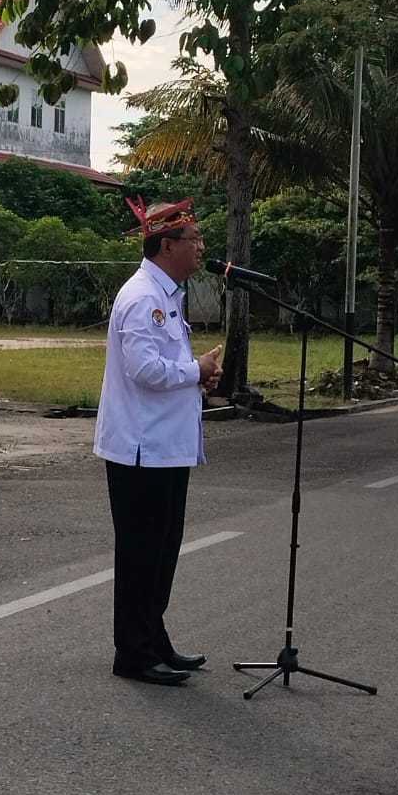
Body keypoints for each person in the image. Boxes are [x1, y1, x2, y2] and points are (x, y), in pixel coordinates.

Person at [94, 197, 223, 686]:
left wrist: (198, 378)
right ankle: (133, 652)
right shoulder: (143, 296)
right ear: (167, 245)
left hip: (165, 446)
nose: (201, 248)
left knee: (164, 547)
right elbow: (143, 369)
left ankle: (153, 639)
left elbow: (166, 368)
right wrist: (197, 370)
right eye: (194, 240)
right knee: (141, 551)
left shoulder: (166, 294)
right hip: (140, 449)